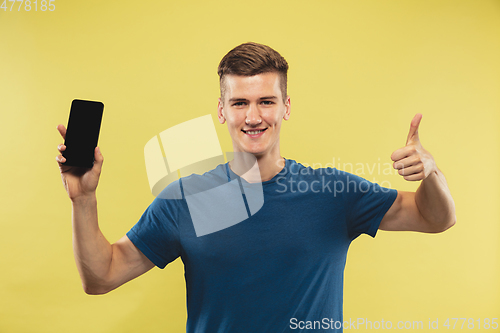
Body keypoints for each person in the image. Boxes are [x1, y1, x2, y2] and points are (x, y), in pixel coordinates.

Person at [56, 42, 455, 332]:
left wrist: (432, 172)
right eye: (240, 103)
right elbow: (100, 277)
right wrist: (84, 200)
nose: (253, 116)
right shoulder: (183, 201)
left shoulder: (334, 193)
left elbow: (435, 218)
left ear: (286, 107)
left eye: (266, 101)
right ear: (221, 110)